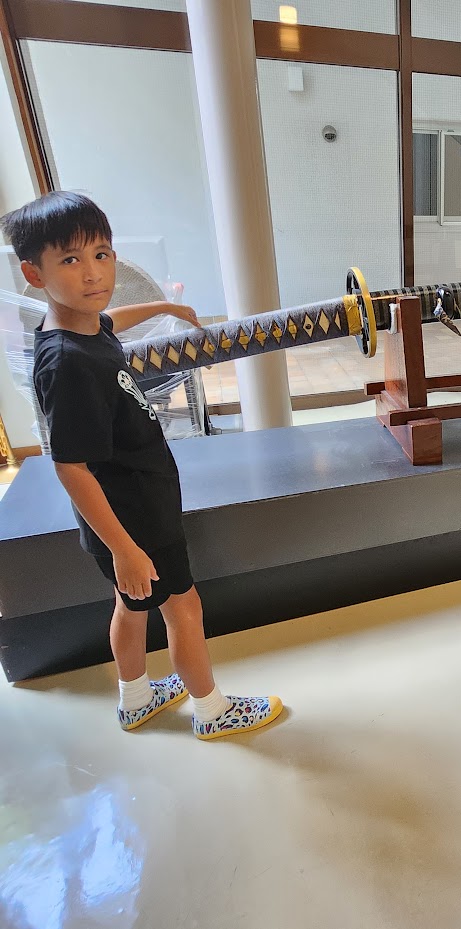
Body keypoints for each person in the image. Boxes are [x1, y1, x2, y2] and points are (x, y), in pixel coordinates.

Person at [0, 191, 283, 739]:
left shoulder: (79, 329)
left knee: (130, 607)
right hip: (135, 520)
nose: (92, 273)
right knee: (184, 608)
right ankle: (212, 711)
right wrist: (125, 549)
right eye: (70, 259)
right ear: (34, 274)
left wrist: (162, 308)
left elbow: (108, 321)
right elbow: (70, 467)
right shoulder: (68, 365)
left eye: (101, 254)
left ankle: (134, 699)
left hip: (126, 512)